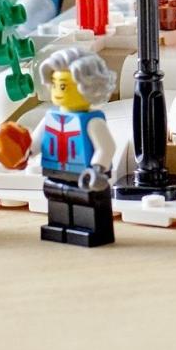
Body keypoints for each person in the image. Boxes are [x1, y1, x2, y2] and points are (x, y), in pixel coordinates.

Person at [28, 45, 117, 249]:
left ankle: (90, 230)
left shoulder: (92, 121)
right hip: (55, 172)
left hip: (85, 176)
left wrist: (97, 168)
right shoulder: (50, 118)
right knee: (56, 196)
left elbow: (106, 147)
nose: (57, 91)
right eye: (54, 84)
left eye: (64, 86)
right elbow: (37, 142)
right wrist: (26, 152)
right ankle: (58, 226)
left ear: (88, 87)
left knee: (86, 202)